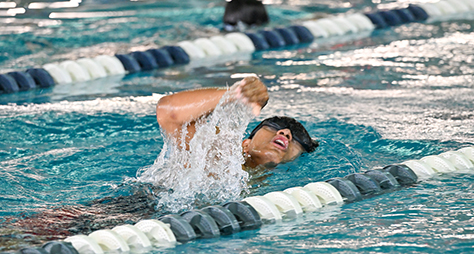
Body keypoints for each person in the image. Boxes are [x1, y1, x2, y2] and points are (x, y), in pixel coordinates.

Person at [156, 75, 318, 170]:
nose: (285, 133)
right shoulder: (220, 152)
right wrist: (233, 95)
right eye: (273, 126)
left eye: (297, 137)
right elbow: (167, 113)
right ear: (246, 144)